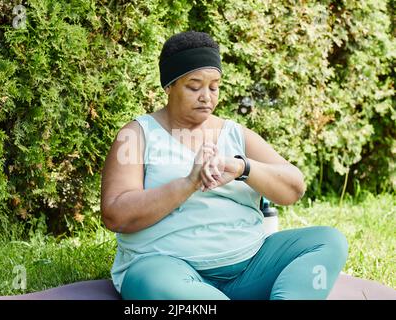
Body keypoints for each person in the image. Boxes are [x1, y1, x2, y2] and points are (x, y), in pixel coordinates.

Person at [101, 31, 348, 300]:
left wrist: (244, 169)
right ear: (169, 86)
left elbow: (294, 188)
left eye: (214, 86)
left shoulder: (235, 134)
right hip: (168, 267)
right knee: (146, 280)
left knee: (328, 241)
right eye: (194, 87)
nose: (206, 96)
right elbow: (116, 214)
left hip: (250, 267)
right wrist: (188, 184)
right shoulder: (137, 135)